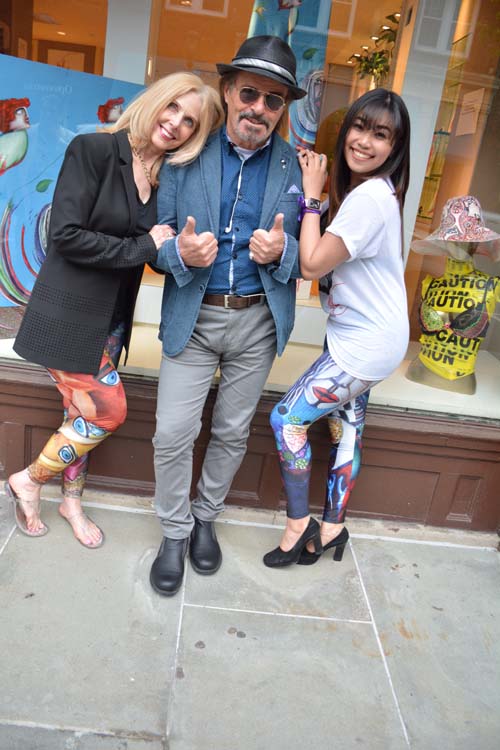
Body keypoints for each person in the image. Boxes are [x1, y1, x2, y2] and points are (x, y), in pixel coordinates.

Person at [6, 72, 223, 548]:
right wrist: (146, 245)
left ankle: (72, 502)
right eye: (173, 109)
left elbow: (155, 253)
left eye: (190, 122)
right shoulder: (95, 151)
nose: (176, 124)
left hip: (111, 318)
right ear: (154, 103)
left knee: (77, 414)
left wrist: (179, 252)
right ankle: (29, 479)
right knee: (107, 411)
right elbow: (64, 235)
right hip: (67, 314)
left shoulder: (165, 179)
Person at [150, 35, 306, 595]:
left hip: (258, 321)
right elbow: (158, 242)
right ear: (227, 90)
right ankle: (173, 530)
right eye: (249, 93)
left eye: (273, 100)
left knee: (232, 431)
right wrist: (178, 255)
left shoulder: (299, 167)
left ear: (283, 109)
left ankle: (205, 519)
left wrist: (282, 255)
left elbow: (309, 257)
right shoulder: (186, 153)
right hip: (195, 315)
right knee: (173, 431)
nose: (258, 109)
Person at [264, 88, 411, 568]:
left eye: (381, 134)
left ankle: (298, 523)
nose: (365, 141)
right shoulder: (376, 193)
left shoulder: (369, 197)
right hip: (369, 334)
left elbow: (310, 263)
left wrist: (309, 197)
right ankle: (332, 527)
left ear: (396, 148)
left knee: (287, 421)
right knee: (348, 426)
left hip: (365, 343)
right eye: (360, 127)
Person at [406, 195, 500, 395]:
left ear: (476, 243)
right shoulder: (430, 285)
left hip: (461, 381)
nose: (459, 244)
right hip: (419, 372)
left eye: (466, 239)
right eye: (453, 238)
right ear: (443, 241)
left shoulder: (491, 286)